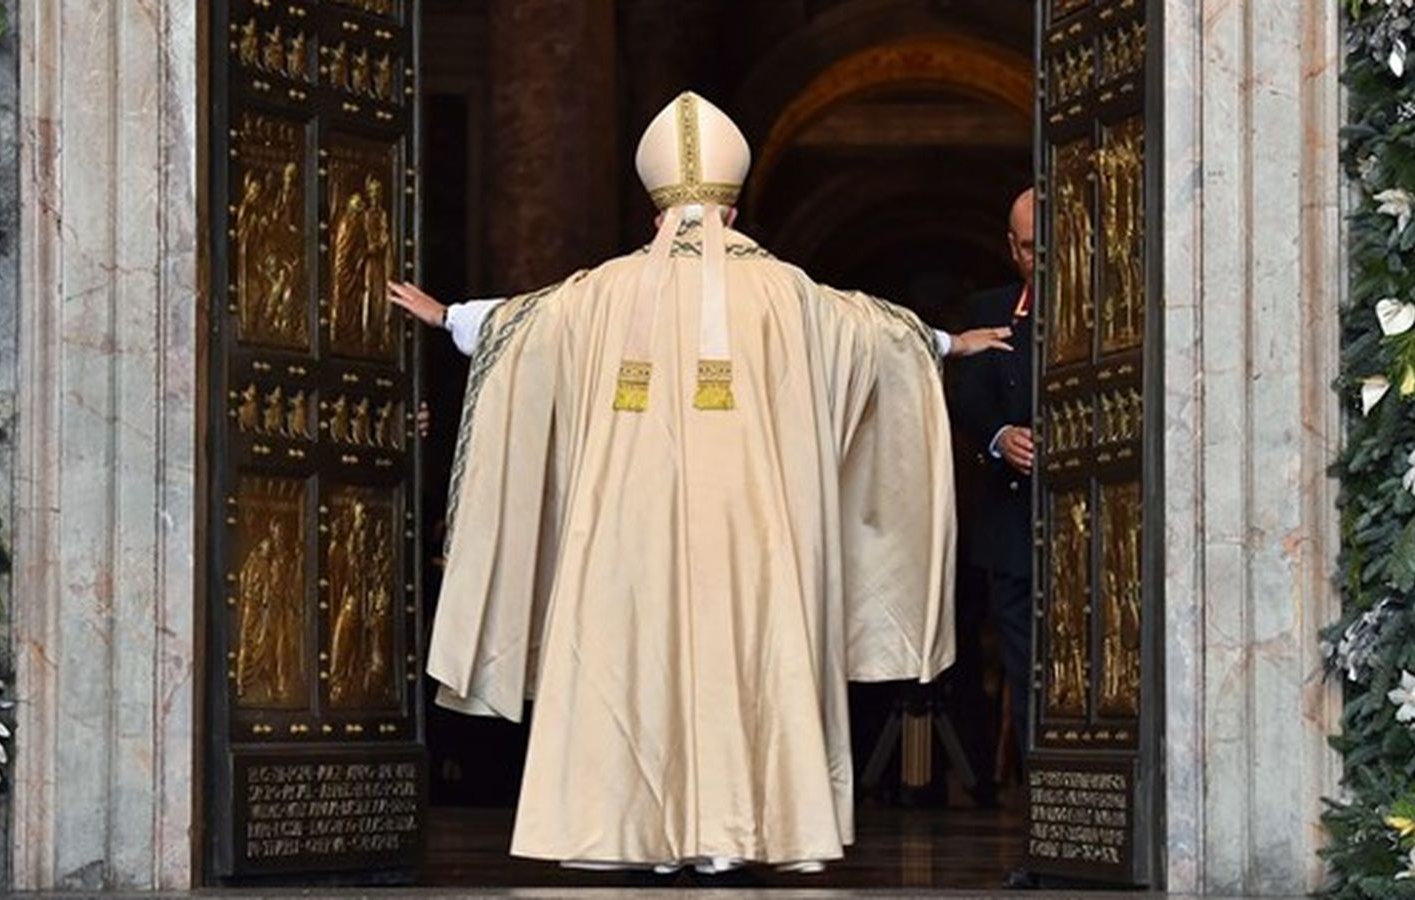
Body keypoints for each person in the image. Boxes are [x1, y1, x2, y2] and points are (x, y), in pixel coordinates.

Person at [390, 92, 1010, 874]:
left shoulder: (598, 292)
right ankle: (737, 833)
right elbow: (880, 334)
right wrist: (949, 341)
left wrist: (449, 315)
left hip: (625, 537)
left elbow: (518, 326)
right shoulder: (790, 291)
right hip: (753, 536)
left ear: (655, 214)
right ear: (736, 207)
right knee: (747, 655)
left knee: (629, 654)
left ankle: (617, 832)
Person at [950, 188, 1036, 767]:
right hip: (1014, 531)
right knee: (1028, 674)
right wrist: (1000, 437)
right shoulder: (990, 311)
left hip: (1107, 529)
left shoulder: (1115, 303)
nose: (1044, 258)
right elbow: (966, 397)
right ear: (1011, 248)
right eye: (1032, 248)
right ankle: (1048, 825)